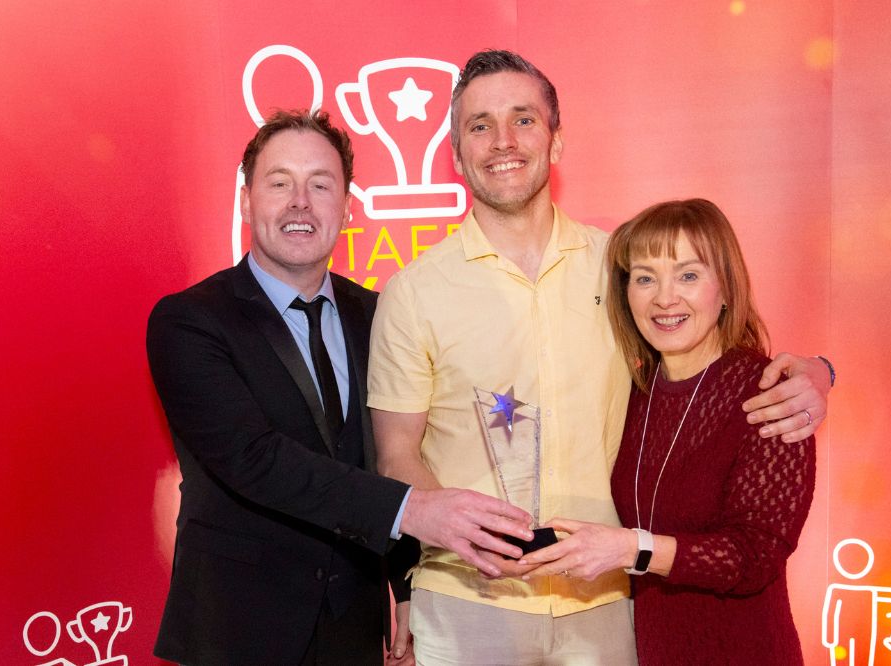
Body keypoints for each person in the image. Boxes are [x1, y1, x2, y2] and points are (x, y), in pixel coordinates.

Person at [368, 50, 831, 664]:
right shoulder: (412, 291)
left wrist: (818, 372)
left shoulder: (622, 266)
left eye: (524, 119)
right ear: (456, 155)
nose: (503, 140)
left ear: (556, 143)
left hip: (609, 602)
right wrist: (463, 538)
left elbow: (702, 361)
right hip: (468, 604)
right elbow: (396, 453)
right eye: (480, 125)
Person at [146, 109, 533, 666]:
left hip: (353, 628)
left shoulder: (379, 315)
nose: (300, 202)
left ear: (348, 208)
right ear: (246, 201)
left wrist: (406, 589)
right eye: (280, 183)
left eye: (320, 185)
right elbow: (253, 458)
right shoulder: (189, 321)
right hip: (235, 632)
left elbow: (391, 452)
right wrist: (415, 511)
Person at [520, 199, 817, 664]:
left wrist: (630, 549)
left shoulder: (768, 395)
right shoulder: (635, 390)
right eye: (645, 278)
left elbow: (754, 556)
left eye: (688, 275)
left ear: (725, 288)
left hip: (744, 650)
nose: (664, 298)